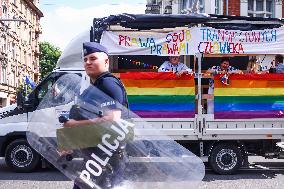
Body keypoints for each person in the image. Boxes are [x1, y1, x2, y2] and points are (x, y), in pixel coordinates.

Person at [63, 42, 129, 189]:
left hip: (107, 158)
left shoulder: (108, 84)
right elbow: (88, 117)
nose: (87, 62)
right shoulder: (95, 87)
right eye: (85, 59)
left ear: (106, 61)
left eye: (93, 58)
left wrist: (74, 125)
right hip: (95, 155)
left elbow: (113, 119)